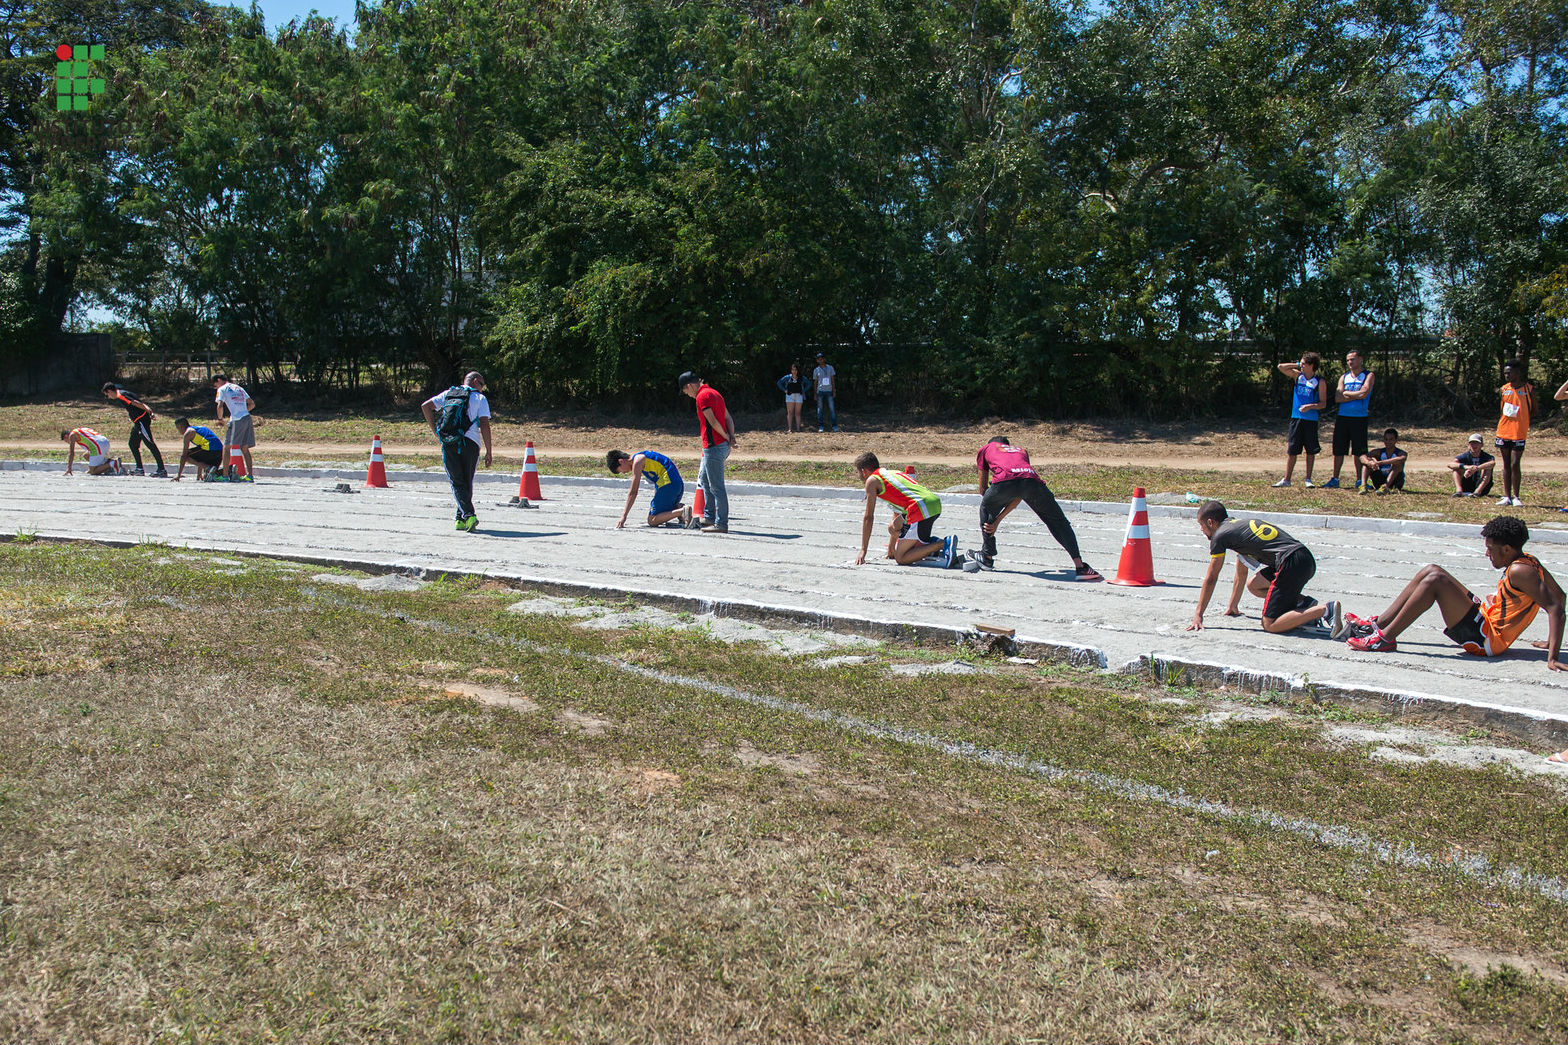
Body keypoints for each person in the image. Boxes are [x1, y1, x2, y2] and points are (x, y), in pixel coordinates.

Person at [1344, 516, 1565, 669]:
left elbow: (1556, 608)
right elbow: (1561, 596)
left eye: (1490, 548)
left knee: (1435, 581)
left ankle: (1385, 639)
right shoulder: (1530, 562)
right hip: (1485, 621)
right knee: (1432, 569)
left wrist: (1552, 656)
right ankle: (1377, 624)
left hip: (1487, 640)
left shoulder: (1519, 570)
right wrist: (1549, 641)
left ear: (1507, 549)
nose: (1487, 553)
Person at [1187, 500, 1345, 636]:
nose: (1201, 530)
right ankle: (1303, 604)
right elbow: (1241, 570)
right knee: (1254, 585)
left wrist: (1198, 615)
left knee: (1270, 624)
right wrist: (1233, 606)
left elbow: (1211, 578)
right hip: (1303, 558)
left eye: (1201, 525)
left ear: (1210, 522)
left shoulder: (1219, 536)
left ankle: (1326, 610)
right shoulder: (1237, 528)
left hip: (1290, 563)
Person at [971, 436, 1101, 579]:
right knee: (1058, 522)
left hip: (1004, 481)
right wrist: (998, 520)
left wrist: (993, 518)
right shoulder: (1021, 451)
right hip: (1032, 482)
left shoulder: (986, 449)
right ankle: (1080, 567)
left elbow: (983, 489)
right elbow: (1020, 492)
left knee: (986, 506)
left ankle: (987, 556)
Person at [852, 451, 958, 567]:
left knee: (901, 558)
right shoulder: (890, 473)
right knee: (893, 528)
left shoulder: (872, 481)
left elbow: (868, 517)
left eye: (857, 472)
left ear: (864, 471)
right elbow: (897, 511)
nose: (858, 475)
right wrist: (891, 547)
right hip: (931, 503)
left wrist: (863, 550)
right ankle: (927, 544)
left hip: (919, 507)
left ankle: (942, 544)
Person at [421, 371, 493, 532]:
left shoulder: (449, 393)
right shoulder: (480, 398)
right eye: (482, 385)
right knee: (466, 481)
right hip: (471, 443)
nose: (482, 389)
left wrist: (436, 431)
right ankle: (469, 515)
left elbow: (425, 406)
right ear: (475, 381)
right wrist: (489, 451)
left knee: (457, 481)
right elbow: (485, 425)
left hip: (449, 442)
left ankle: (460, 518)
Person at [679, 371, 735, 533]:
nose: (687, 395)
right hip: (720, 446)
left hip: (714, 446)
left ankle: (721, 523)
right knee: (704, 481)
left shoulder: (702, 397)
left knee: (717, 487)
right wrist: (731, 436)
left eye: (685, 391)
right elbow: (728, 418)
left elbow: (713, 422)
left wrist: (726, 437)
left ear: (689, 386)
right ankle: (709, 517)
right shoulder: (715, 393)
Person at [1273, 353, 1327, 487]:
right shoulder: (1298, 376)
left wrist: (1310, 406)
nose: (1301, 366)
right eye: (1301, 364)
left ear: (1312, 365)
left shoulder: (1319, 382)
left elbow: (1323, 403)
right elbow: (1281, 367)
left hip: (1311, 420)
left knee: (1310, 451)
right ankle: (1287, 479)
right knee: (1292, 450)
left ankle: (1308, 479)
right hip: (1296, 419)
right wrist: (1297, 364)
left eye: (1304, 364)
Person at [607, 449, 691, 529]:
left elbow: (633, 492)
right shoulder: (643, 456)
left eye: (620, 470)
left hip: (669, 485)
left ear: (621, 461)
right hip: (677, 486)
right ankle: (678, 508)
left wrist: (624, 516)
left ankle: (681, 511)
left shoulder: (638, 461)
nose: (624, 473)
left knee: (652, 520)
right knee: (659, 513)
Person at [1325, 349, 1373, 489]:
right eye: (1348, 360)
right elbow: (1338, 397)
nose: (1350, 362)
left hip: (1359, 418)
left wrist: (1347, 394)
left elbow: (1364, 393)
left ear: (1360, 359)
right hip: (1343, 418)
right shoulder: (1344, 377)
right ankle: (1335, 479)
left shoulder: (1368, 375)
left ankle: (1360, 480)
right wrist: (1354, 395)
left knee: (1359, 451)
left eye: (1352, 359)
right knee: (1339, 449)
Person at [101, 382, 166, 476]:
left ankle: (162, 469)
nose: (108, 397)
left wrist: (149, 411)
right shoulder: (123, 393)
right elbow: (140, 402)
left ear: (110, 391)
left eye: (107, 394)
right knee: (132, 444)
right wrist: (149, 410)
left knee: (150, 443)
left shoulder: (122, 396)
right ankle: (139, 469)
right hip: (138, 422)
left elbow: (136, 403)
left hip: (141, 421)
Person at [1495, 358, 1534, 508]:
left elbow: (1534, 409)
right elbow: (1502, 409)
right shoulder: (1504, 389)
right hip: (1504, 430)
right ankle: (1507, 496)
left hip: (1519, 432)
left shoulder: (1528, 389)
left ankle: (1517, 496)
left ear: (1517, 373)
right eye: (1505, 373)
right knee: (1505, 464)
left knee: (1515, 463)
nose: (1507, 376)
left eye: (1509, 373)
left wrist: (1523, 419)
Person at [212, 374, 256, 481]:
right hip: (247, 418)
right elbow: (252, 404)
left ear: (218, 380)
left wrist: (220, 419)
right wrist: (243, 411)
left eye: (215, 385)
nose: (216, 387)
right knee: (244, 448)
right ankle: (250, 476)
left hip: (236, 420)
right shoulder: (238, 388)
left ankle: (225, 476)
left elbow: (220, 405)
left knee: (226, 447)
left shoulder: (222, 389)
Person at [169, 417, 224, 481]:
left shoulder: (188, 432)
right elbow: (200, 455)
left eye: (178, 428)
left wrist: (178, 475)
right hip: (220, 452)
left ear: (181, 426)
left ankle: (208, 468)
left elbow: (184, 455)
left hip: (211, 450)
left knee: (187, 456)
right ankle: (229, 470)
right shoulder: (199, 428)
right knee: (211, 475)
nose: (178, 431)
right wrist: (199, 474)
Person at [1359, 428, 1407, 495]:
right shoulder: (1378, 452)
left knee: (1397, 465)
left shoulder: (1401, 453)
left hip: (1395, 481)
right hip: (1380, 481)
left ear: (1396, 440)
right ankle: (1363, 486)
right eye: (1386, 439)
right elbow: (1362, 457)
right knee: (1366, 464)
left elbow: (1401, 459)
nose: (1388, 442)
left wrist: (1380, 462)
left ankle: (1385, 487)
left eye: (1391, 439)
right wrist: (1369, 463)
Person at [777, 362, 806, 433]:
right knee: (790, 412)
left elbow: (809, 383)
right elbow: (779, 383)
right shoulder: (787, 377)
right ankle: (790, 428)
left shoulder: (801, 378)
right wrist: (784, 390)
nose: (794, 371)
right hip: (790, 396)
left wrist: (803, 390)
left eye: (795, 370)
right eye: (793, 370)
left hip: (799, 396)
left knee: (798, 413)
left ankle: (798, 429)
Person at [812, 351, 838, 432]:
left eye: (821, 359)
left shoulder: (830, 368)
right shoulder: (816, 370)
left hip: (829, 390)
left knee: (832, 408)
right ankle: (821, 426)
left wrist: (834, 390)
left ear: (824, 359)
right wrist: (815, 393)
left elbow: (832, 379)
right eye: (819, 359)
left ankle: (834, 426)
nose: (820, 360)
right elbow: (815, 382)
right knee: (820, 409)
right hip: (820, 391)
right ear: (817, 360)